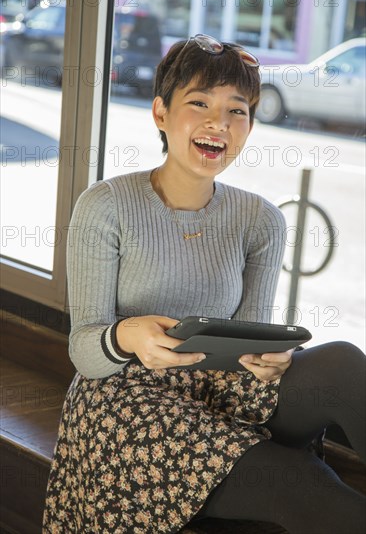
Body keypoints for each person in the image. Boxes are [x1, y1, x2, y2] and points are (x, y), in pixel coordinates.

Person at [43, 34, 366, 534]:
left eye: (237, 111)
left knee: (342, 360)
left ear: (250, 126)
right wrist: (127, 335)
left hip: (221, 386)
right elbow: (85, 348)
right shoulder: (105, 205)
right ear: (160, 113)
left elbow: (251, 337)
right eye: (199, 103)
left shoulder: (260, 220)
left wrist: (268, 359)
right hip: (125, 401)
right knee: (302, 481)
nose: (219, 123)